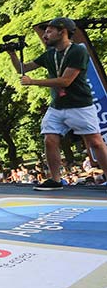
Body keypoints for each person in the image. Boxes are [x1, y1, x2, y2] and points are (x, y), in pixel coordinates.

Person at [8, 17, 107, 191]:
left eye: (49, 31)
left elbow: (66, 81)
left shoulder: (78, 51)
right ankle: (55, 180)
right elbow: (22, 69)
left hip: (79, 105)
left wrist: (33, 82)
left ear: (63, 32)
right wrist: (12, 54)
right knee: (49, 140)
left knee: (96, 143)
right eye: (45, 31)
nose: (45, 35)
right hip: (57, 106)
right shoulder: (50, 54)